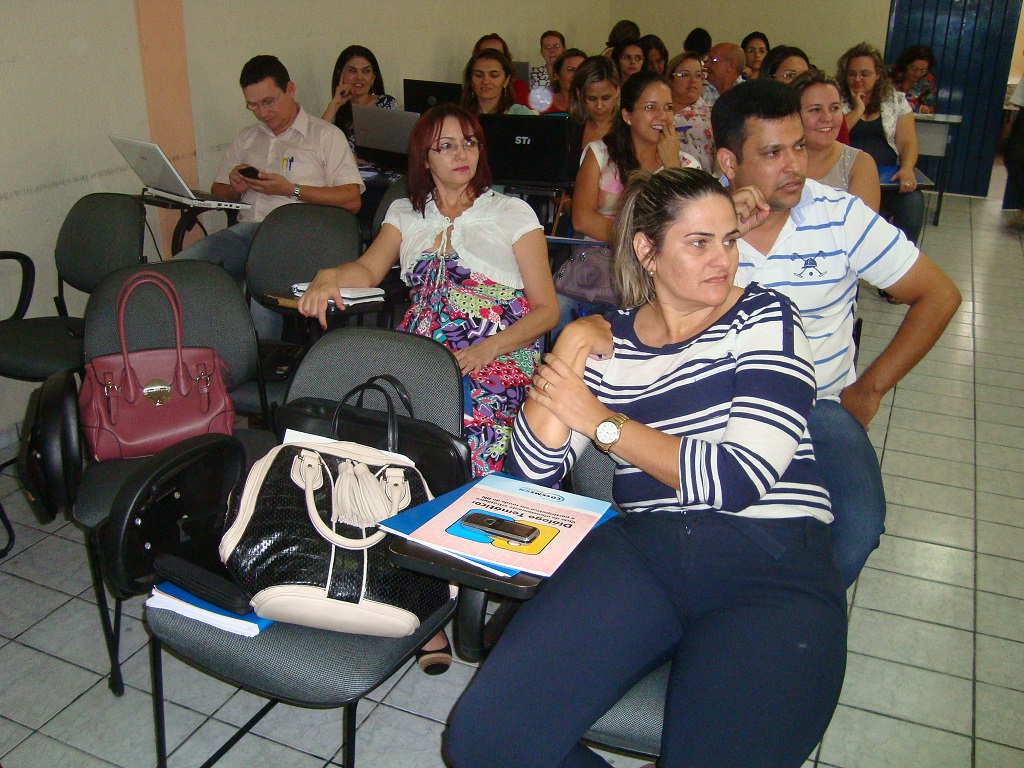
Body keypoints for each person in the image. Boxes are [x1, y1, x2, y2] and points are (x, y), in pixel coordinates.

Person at [445, 167, 848, 768]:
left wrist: (602, 422)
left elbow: (740, 478)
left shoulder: (768, 317)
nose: (724, 259)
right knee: (481, 744)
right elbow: (528, 480)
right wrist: (572, 346)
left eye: (730, 240)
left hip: (772, 563)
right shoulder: (611, 341)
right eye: (699, 242)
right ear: (646, 250)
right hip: (643, 553)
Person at [712, 79, 961, 587]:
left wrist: (868, 390)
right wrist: (721, 232)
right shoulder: (696, 219)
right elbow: (643, 309)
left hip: (818, 406)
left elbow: (939, 295)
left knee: (858, 527)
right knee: (712, 522)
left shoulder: (838, 215)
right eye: (774, 152)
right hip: (715, 401)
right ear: (728, 163)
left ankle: (802, 615)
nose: (795, 166)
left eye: (799, 146)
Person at [298, 104, 558, 477]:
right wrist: (329, 275)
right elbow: (368, 270)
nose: (462, 154)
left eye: (470, 143)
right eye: (447, 146)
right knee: (376, 409)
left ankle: (466, 517)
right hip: (422, 347)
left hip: (498, 352)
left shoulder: (511, 213)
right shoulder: (405, 212)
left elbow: (547, 310)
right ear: (425, 160)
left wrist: (487, 349)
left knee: (464, 421)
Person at [176, 55, 362, 337]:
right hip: (248, 231)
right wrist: (236, 186)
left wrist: (291, 190)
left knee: (262, 281)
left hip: (300, 236)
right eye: (253, 105)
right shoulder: (247, 138)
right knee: (183, 268)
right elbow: (219, 192)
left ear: (290, 89)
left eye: (268, 102)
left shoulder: (325, 136)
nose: (262, 113)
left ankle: (264, 361)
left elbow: (352, 199)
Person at [562, 71, 700, 328]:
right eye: (651, 107)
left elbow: (686, 226)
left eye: (668, 108)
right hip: (594, 270)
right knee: (555, 314)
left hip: (655, 277)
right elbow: (582, 220)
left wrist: (672, 168)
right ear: (627, 115)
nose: (663, 116)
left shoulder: (687, 167)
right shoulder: (600, 154)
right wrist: (636, 243)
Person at [838, 42, 925, 244]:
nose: (858, 79)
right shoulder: (834, 100)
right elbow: (833, 137)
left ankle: (899, 261)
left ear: (878, 75)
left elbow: (908, 142)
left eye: (865, 74)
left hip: (886, 181)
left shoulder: (895, 101)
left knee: (913, 204)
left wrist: (907, 168)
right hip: (845, 180)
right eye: (852, 74)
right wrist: (858, 110)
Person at [793, 69, 880, 211]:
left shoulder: (860, 164)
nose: (827, 118)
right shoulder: (779, 161)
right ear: (795, 114)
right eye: (815, 110)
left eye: (834, 108)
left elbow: (862, 230)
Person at [321, 45, 397, 155]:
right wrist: (335, 104)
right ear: (340, 75)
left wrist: (347, 158)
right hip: (345, 171)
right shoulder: (337, 111)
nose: (359, 77)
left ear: (373, 78)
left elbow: (392, 154)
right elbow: (317, 143)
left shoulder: (386, 104)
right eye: (352, 71)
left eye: (366, 71)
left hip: (380, 171)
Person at [668, 50, 715, 173]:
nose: (693, 80)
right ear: (670, 79)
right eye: (684, 75)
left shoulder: (713, 113)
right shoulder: (658, 113)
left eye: (698, 75)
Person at [461, 49, 538, 116]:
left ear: (506, 80)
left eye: (494, 76)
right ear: (470, 80)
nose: (485, 81)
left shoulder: (521, 114)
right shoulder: (459, 116)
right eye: (479, 75)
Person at [567, 56, 620, 149]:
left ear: (617, 91)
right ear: (579, 93)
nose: (599, 106)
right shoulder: (569, 130)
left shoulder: (631, 128)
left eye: (606, 98)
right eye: (592, 99)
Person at [473, 33, 530, 105]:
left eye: (497, 55)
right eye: (485, 54)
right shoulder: (468, 92)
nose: (490, 59)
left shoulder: (518, 88)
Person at [891, 44, 938, 114]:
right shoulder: (891, 75)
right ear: (906, 65)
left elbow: (930, 107)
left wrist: (927, 109)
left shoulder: (927, 81)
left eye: (923, 70)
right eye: (914, 69)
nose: (917, 74)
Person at [542, 48, 587, 114]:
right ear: (557, 74)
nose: (576, 75)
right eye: (571, 70)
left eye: (581, 70)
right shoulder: (544, 104)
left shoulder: (594, 105)